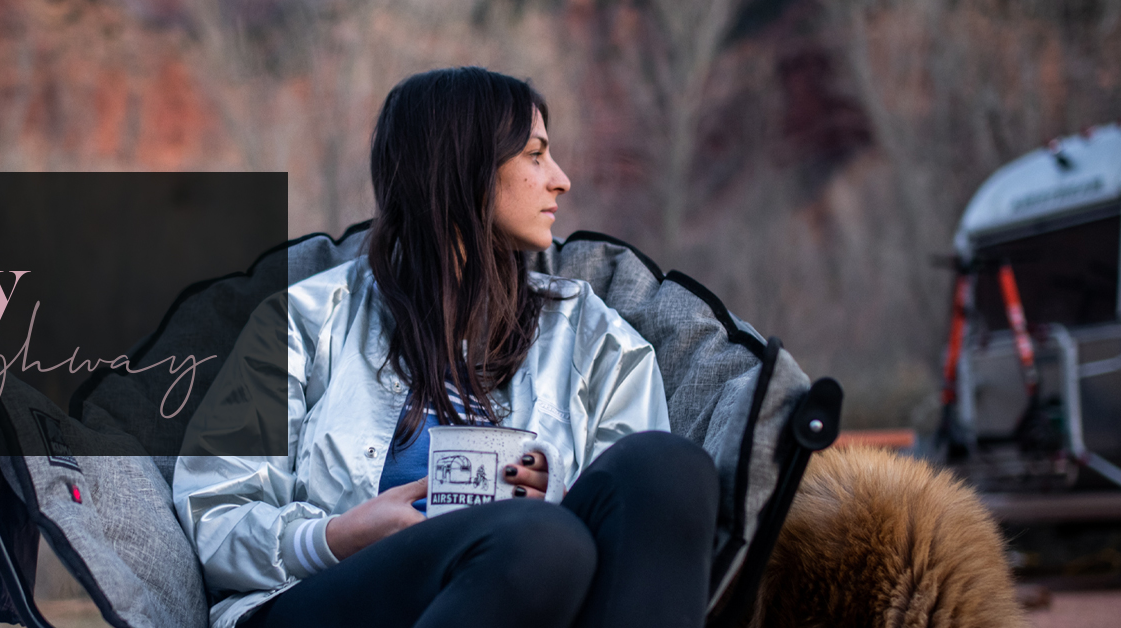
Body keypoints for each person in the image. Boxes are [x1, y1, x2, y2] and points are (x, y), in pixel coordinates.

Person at [173, 66, 717, 628]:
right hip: (322, 602)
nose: (561, 179)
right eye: (535, 155)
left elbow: (625, 546)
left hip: (528, 592)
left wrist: (555, 490)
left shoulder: (596, 339)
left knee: (667, 468)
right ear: (463, 168)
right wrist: (339, 536)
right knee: (536, 541)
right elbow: (216, 517)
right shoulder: (303, 322)